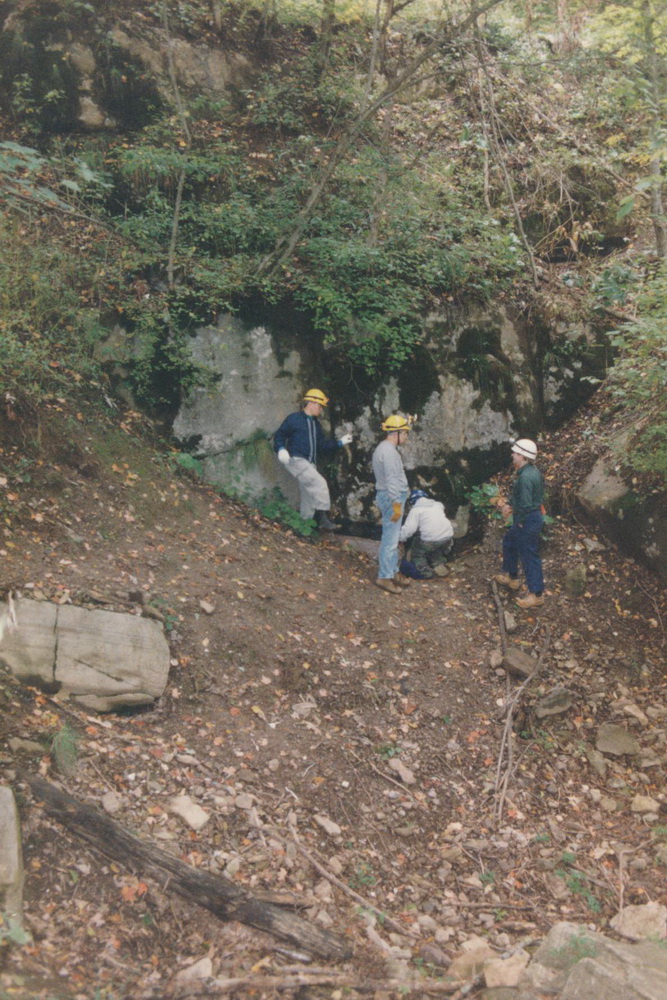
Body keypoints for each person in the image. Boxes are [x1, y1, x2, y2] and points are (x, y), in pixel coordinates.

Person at [274, 388, 353, 530]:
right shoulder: (294, 419)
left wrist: (340, 442)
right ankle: (323, 518)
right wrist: (280, 449)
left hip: (310, 463)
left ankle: (304, 527)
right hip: (296, 460)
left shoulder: (316, 424)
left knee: (309, 496)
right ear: (311, 403)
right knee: (320, 484)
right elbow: (279, 435)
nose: (321, 409)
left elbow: (321, 446)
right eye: (320, 405)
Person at [494, 438, 545, 608]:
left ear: (522, 456)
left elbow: (525, 503)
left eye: (515, 453)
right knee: (509, 541)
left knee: (529, 555)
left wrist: (519, 520)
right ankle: (512, 577)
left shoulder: (525, 477)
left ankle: (537, 594)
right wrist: (509, 503)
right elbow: (520, 496)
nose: (512, 455)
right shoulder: (529, 471)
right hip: (529, 516)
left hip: (527, 519)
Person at [372, 415, 412, 593]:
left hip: (392, 497)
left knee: (393, 537)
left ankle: (393, 571)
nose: (406, 437)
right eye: (405, 433)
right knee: (390, 539)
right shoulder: (387, 452)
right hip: (391, 498)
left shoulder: (387, 449)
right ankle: (384, 576)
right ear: (396, 433)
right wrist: (396, 503)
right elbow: (391, 480)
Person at [399, 489, 454, 579]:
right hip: (447, 538)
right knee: (435, 548)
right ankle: (438, 564)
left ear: (412, 501)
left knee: (418, 552)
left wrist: (400, 538)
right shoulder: (437, 504)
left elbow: (409, 529)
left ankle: (425, 572)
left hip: (431, 541)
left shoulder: (416, 510)